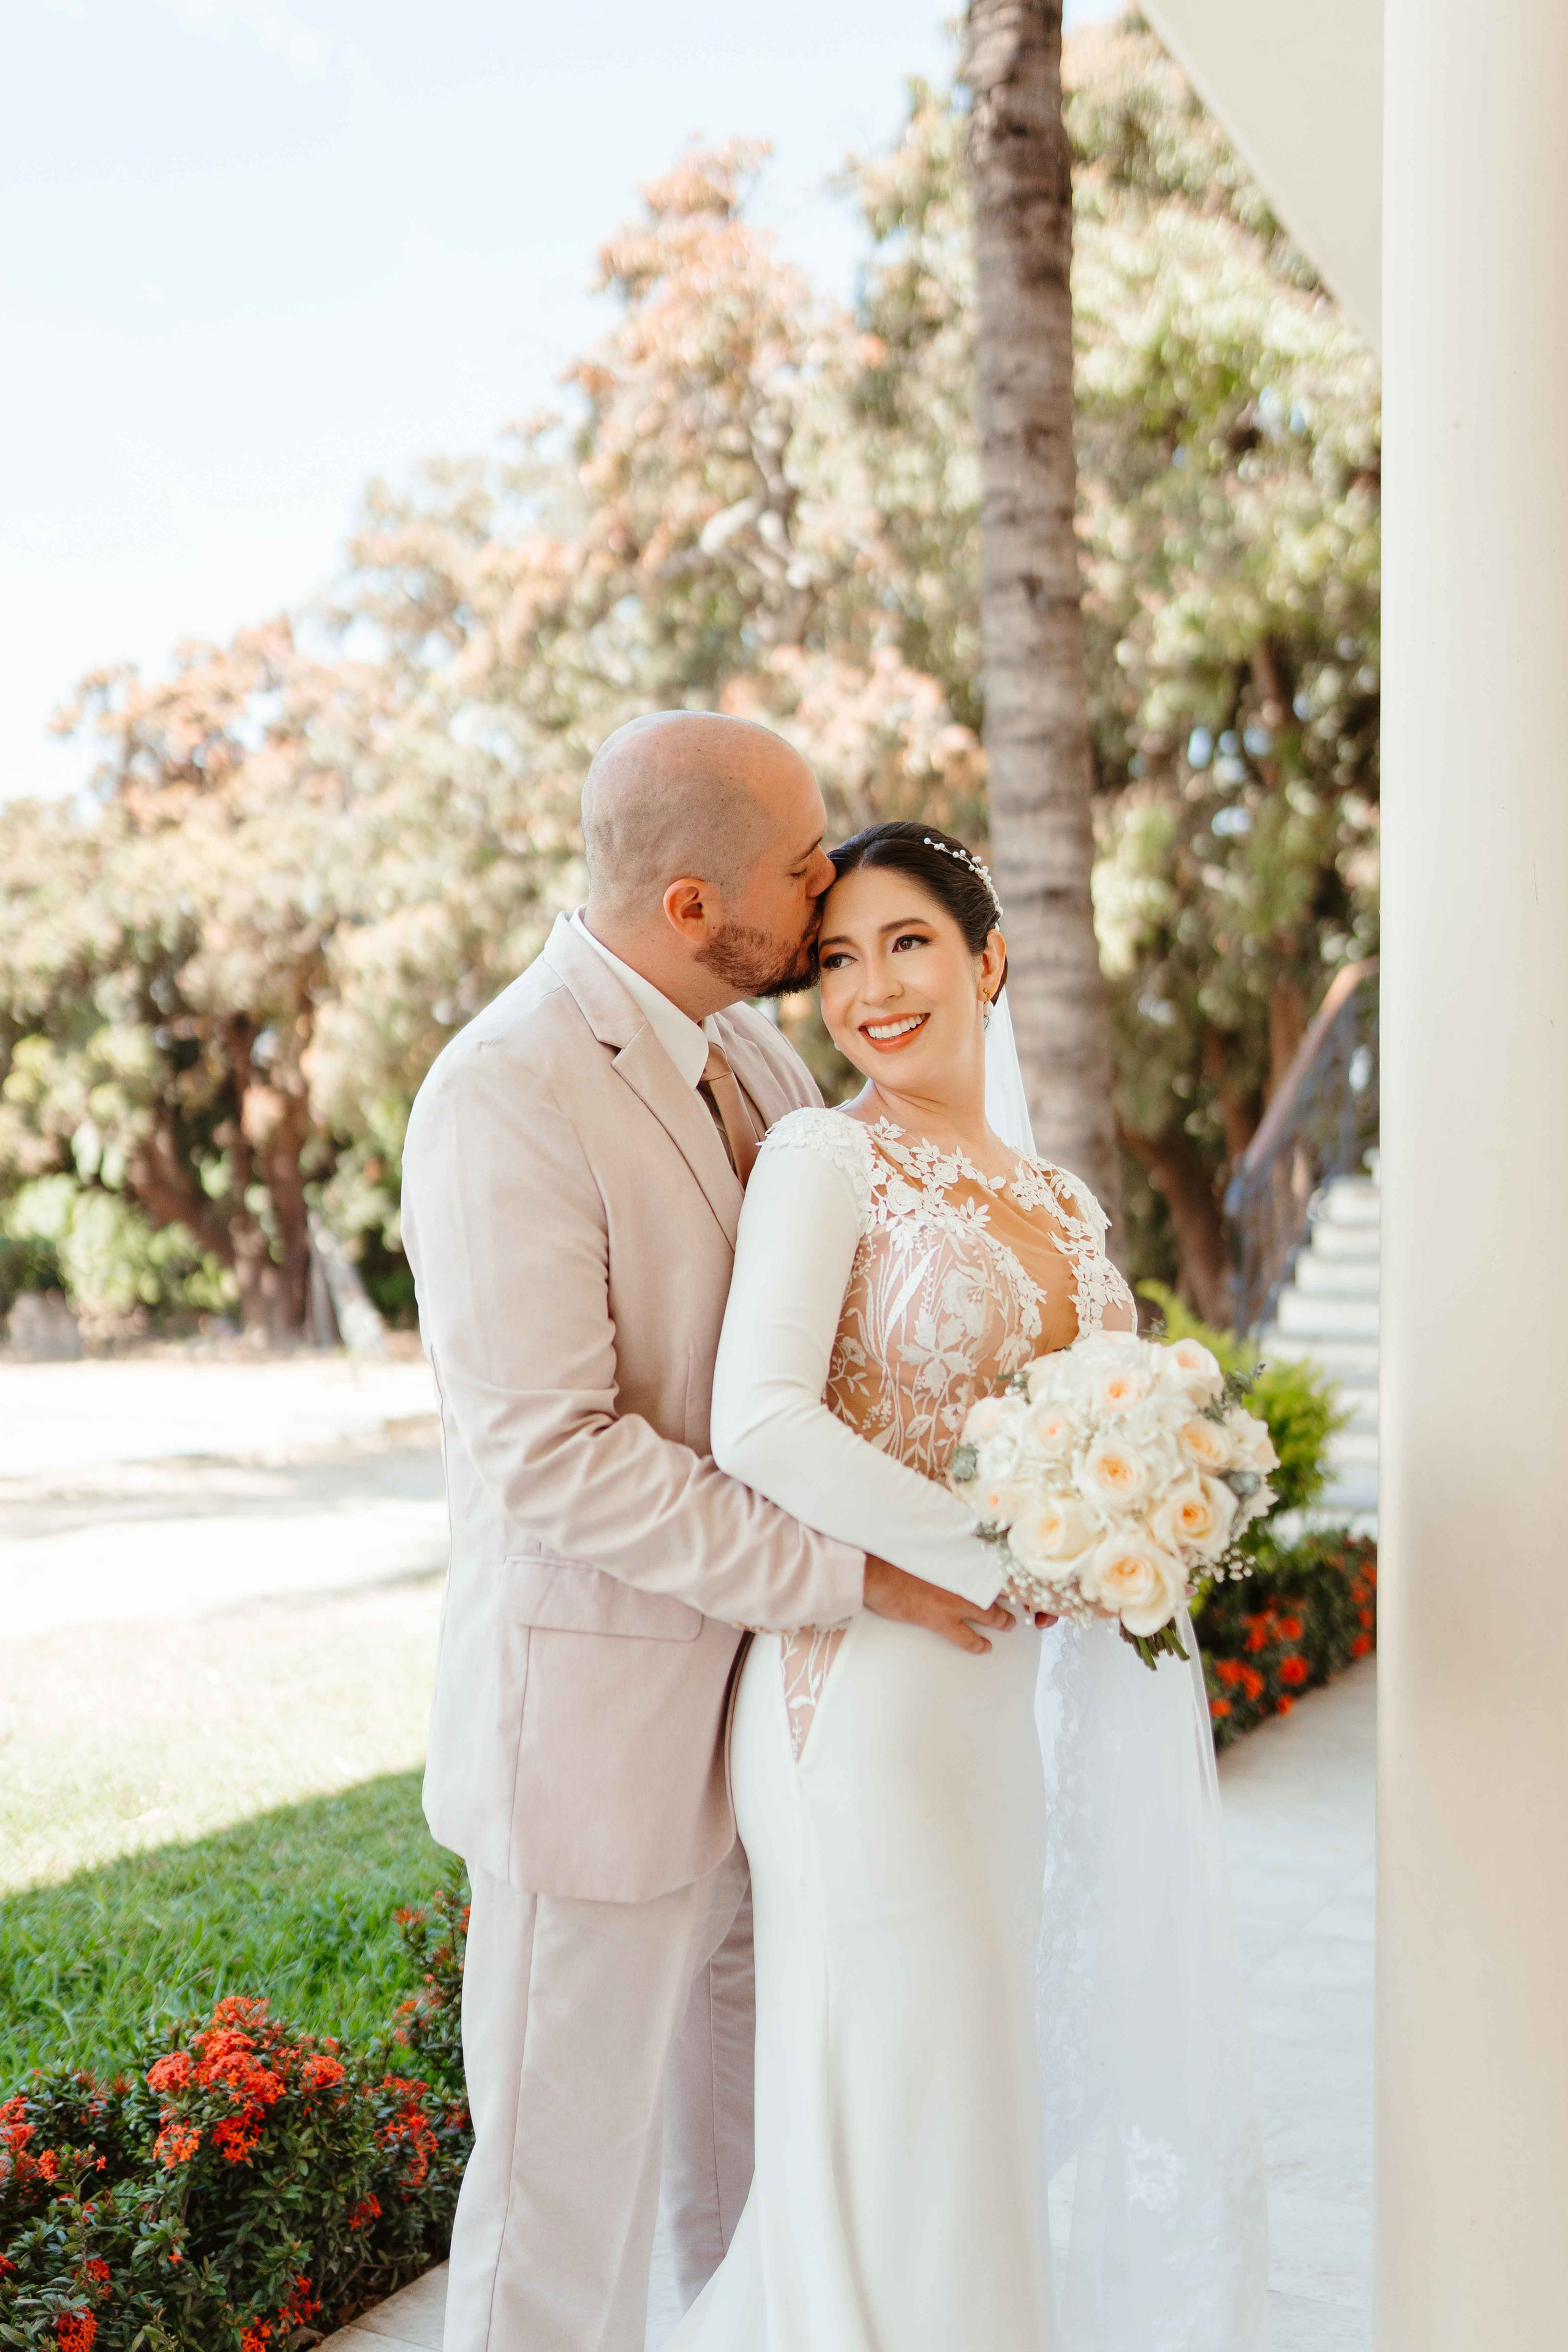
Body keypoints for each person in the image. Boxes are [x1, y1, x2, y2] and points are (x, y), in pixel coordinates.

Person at [399, 718, 1016, 2352]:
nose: (828, 897)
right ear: (692, 905)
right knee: (559, 2228)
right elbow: (556, 1455)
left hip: (784, 1742)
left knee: (751, 2197)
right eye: (803, 868)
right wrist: (852, 1570)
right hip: (595, 1749)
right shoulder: (500, 1092)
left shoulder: (760, 1060)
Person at [664, 819, 1270, 2351]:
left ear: (988, 960)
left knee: (970, 2077)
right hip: (855, 1689)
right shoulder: (826, 1157)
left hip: (996, 1701)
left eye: (909, 943)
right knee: (897, 2081)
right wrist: (991, 1552)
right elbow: (760, 1420)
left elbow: (1097, 1413)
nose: (871, 986)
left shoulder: (1064, 1203)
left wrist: (1135, 1517)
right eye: (840, 959)